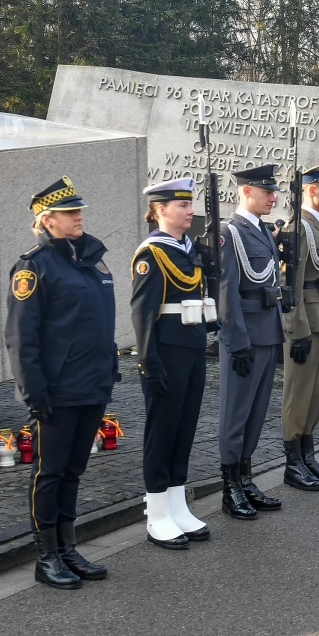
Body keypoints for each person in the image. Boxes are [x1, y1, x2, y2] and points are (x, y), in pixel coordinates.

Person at [5, 177, 116, 589]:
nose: (78, 216)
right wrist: (34, 394)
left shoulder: (91, 261)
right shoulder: (33, 267)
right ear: (46, 220)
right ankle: (46, 555)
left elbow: (98, 327)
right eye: (70, 212)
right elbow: (21, 338)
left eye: (78, 210)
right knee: (49, 473)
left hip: (91, 386)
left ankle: (68, 547)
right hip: (56, 391)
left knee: (73, 470)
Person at [131, 178, 212, 550]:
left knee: (184, 428)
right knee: (161, 432)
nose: (190, 210)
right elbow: (143, 312)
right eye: (182, 205)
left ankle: (177, 504)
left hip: (192, 347)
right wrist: (149, 361)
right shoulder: (152, 253)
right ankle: (157, 513)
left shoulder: (188, 249)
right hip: (166, 352)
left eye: (190, 204)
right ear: (161, 210)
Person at [217, 164, 286, 518]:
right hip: (244, 338)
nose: (273, 197)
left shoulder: (260, 230)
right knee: (236, 414)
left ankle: (245, 478)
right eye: (266, 191)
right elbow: (226, 293)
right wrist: (236, 341)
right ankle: (230, 488)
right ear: (246, 192)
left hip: (268, 332)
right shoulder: (230, 232)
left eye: (273, 191)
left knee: (256, 413)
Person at [280, 160, 319, 490]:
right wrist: (297, 329)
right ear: (310, 189)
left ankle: (307, 454)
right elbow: (291, 283)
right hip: (306, 324)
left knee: (315, 394)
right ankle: (292, 462)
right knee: (298, 393)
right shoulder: (298, 228)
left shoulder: (318, 225)